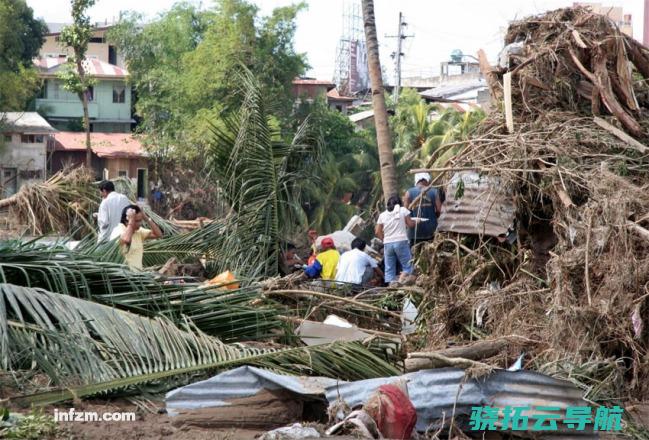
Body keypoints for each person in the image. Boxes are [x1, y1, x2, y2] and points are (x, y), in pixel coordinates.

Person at [375, 195, 420, 286]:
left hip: (388, 243)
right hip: (401, 241)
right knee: (408, 266)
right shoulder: (403, 210)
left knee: (389, 268)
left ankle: (392, 286)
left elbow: (377, 231)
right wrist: (417, 221)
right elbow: (410, 224)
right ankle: (400, 281)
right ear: (400, 203)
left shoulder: (382, 215)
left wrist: (384, 240)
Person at [110, 204, 163, 271]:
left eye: (140, 220)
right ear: (126, 221)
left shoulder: (138, 231)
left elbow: (158, 234)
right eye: (137, 221)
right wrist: (131, 220)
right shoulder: (118, 230)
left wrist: (146, 218)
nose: (140, 223)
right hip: (124, 276)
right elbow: (126, 239)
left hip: (137, 276)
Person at [403, 172, 442, 247]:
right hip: (431, 230)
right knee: (429, 253)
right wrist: (434, 217)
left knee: (414, 256)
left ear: (416, 180)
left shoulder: (408, 193)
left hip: (414, 232)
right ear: (426, 180)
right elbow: (439, 210)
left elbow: (404, 212)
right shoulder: (434, 191)